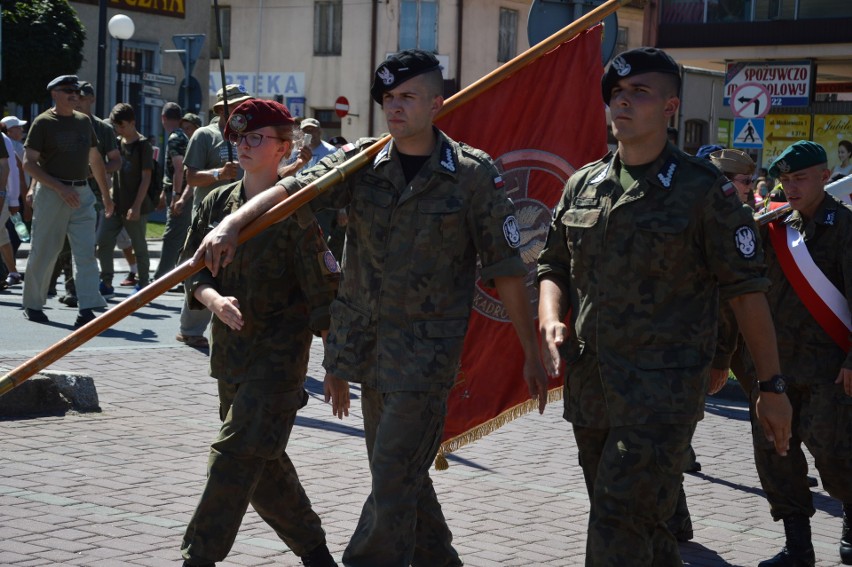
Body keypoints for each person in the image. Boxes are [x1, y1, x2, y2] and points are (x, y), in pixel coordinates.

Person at [192, 49, 549, 567]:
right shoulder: (362, 161)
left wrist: (529, 350)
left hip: (426, 360)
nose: (395, 107)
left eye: (407, 97)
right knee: (401, 477)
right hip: (369, 355)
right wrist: (227, 225)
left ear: (436, 102)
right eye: (388, 98)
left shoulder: (473, 174)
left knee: (391, 475)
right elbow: (292, 189)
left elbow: (506, 268)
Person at [536, 47, 792, 566]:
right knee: (642, 530)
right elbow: (552, 268)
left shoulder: (705, 193)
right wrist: (548, 318)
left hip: (662, 394)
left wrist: (771, 387)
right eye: (617, 94)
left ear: (671, 107)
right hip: (592, 387)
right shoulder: (583, 185)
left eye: (640, 93)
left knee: (615, 521)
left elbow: (746, 292)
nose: (623, 103)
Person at [179, 98, 339, 567]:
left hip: (278, 361)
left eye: (257, 138)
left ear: (284, 148)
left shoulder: (294, 211)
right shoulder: (216, 204)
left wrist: (335, 365)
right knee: (262, 465)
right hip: (230, 357)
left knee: (233, 455)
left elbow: (323, 293)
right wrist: (213, 300)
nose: (244, 146)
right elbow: (192, 271)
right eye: (239, 137)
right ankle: (317, 554)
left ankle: (197, 558)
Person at [750, 141, 852, 567]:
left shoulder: (845, 227)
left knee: (837, 453)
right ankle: (798, 545)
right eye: (785, 179)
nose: (790, 187)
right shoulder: (775, 225)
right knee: (778, 454)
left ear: (825, 177)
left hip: (830, 370)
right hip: (779, 368)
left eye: (800, 178)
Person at [21, 75, 112, 327]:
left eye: (77, 91)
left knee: (85, 252)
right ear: (54, 94)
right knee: (45, 251)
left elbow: (95, 160)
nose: (75, 95)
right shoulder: (43, 123)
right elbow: (28, 163)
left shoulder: (84, 122)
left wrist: (105, 196)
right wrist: (59, 188)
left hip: (82, 194)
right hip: (53, 194)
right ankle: (33, 304)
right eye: (69, 91)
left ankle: (87, 306)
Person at [174, 84, 251, 348]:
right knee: (205, 267)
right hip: (209, 214)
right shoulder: (203, 136)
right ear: (220, 109)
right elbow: (192, 177)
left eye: (244, 104)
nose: (241, 109)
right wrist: (219, 174)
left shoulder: (247, 136)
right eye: (235, 105)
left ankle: (231, 320)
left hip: (240, 212)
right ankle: (190, 328)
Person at [96, 103, 152, 294]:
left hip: (135, 206)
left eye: (122, 125)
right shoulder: (116, 143)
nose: (119, 129)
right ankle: (106, 281)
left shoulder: (143, 145)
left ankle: (144, 283)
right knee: (103, 241)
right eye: (117, 126)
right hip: (115, 204)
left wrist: (136, 206)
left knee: (139, 246)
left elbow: (146, 178)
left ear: (132, 123)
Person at [152, 102, 190, 281]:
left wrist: (176, 195)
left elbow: (178, 167)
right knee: (181, 236)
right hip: (179, 191)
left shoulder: (174, 138)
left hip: (179, 193)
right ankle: (180, 276)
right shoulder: (183, 135)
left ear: (163, 118)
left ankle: (160, 279)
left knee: (171, 237)